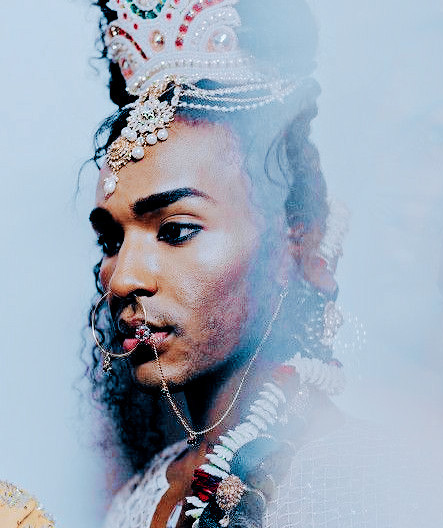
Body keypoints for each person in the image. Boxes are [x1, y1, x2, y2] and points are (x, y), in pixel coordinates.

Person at [87, 1, 416, 527]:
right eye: (111, 240)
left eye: (176, 231)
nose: (124, 278)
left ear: (292, 241)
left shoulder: (364, 484)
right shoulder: (134, 502)